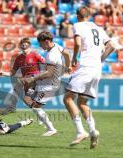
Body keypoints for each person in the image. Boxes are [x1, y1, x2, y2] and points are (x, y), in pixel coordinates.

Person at [63, 6, 116, 149]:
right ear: (89, 15)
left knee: (67, 98)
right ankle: (93, 130)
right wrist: (100, 60)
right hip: (96, 69)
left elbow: (78, 43)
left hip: (85, 66)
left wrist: (74, 58)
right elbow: (112, 45)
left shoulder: (78, 25)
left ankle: (81, 132)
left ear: (78, 16)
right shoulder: (98, 28)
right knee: (82, 102)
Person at [19, 31, 71, 136]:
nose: (40, 46)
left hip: (50, 85)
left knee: (36, 106)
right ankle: (42, 120)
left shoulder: (51, 55)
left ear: (46, 41)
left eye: (40, 43)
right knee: (27, 99)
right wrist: (68, 66)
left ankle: (51, 128)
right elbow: (67, 53)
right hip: (44, 82)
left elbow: (49, 73)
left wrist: (32, 78)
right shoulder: (57, 46)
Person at [0, 37, 45, 125]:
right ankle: (42, 118)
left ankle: (10, 107)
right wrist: (3, 73)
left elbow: (45, 63)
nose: (24, 46)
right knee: (29, 101)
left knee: (17, 85)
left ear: (29, 46)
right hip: (27, 82)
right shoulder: (19, 58)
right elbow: (12, 73)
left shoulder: (35, 55)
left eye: (26, 45)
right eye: (22, 45)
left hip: (35, 78)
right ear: (20, 46)